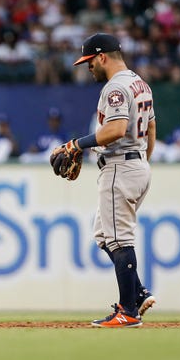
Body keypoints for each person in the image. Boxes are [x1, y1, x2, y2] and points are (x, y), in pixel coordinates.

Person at [65, 33, 156, 328]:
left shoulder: (115, 87)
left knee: (119, 239)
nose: (88, 68)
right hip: (136, 164)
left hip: (121, 166)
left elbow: (116, 129)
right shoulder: (139, 83)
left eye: (90, 62)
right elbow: (151, 127)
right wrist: (143, 161)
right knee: (105, 235)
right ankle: (138, 293)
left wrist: (76, 145)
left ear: (102, 57)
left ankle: (128, 310)